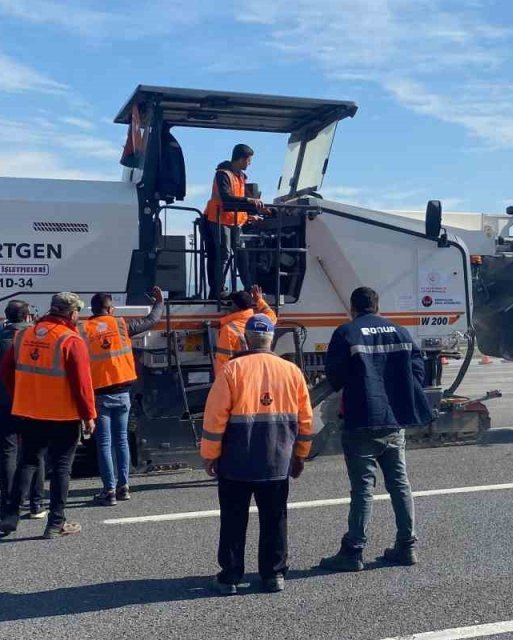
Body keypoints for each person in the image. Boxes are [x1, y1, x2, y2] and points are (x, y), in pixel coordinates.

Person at [319, 287, 433, 572]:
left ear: (352, 307)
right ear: (377, 305)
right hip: (394, 420)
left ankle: (354, 550)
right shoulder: (401, 332)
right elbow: (419, 373)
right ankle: (406, 546)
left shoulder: (346, 332)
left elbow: (335, 375)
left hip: (361, 419)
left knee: (362, 490)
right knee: (399, 484)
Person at [201, 313, 313, 595]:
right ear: (271, 338)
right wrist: (300, 455)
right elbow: (306, 420)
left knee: (233, 519)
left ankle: (230, 577)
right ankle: (273, 575)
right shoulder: (292, 371)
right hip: (277, 459)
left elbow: (214, 418)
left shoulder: (231, 370)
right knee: (275, 518)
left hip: (236, 462)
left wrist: (210, 454)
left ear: (245, 339)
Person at [0, 292, 97, 539]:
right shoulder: (71, 340)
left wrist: (20, 394)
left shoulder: (24, 335)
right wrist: (88, 415)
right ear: (72, 313)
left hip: (30, 411)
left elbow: (5, 369)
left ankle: (10, 516)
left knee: (28, 461)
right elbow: (82, 385)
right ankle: (55, 523)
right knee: (61, 467)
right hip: (63, 415)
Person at [82, 286, 164, 506]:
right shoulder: (121, 325)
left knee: (105, 443)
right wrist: (159, 302)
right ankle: (124, 487)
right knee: (122, 441)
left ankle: (108, 491)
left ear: (94, 308)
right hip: (122, 393)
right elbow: (151, 320)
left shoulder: (84, 329)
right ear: (110, 308)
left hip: (99, 394)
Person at [0, 300, 46, 522]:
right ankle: (37, 504)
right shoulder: (37, 336)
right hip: (32, 401)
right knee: (34, 452)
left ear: (7, 317)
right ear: (28, 316)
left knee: (8, 453)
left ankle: (7, 506)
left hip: (4, 401)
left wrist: (6, 323)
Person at [201, 144, 270, 297]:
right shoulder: (223, 174)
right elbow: (226, 198)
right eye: (249, 160)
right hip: (218, 219)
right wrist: (249, 200)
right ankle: (218, 291)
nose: (249, 164)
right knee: (223, 254)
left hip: (235, 222)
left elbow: (241, 202)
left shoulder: (241, 177)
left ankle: (249, 289)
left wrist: (254, 213)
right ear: (241, 159)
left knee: (241, 254)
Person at [213, 286, 278, 379]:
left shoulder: (228, 329)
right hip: (259, 373)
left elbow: (223, 361)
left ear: (235, 306)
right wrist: (259, 300)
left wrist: (220, 383)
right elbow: (272, 316)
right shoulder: (262, 322)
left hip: (241, 376)